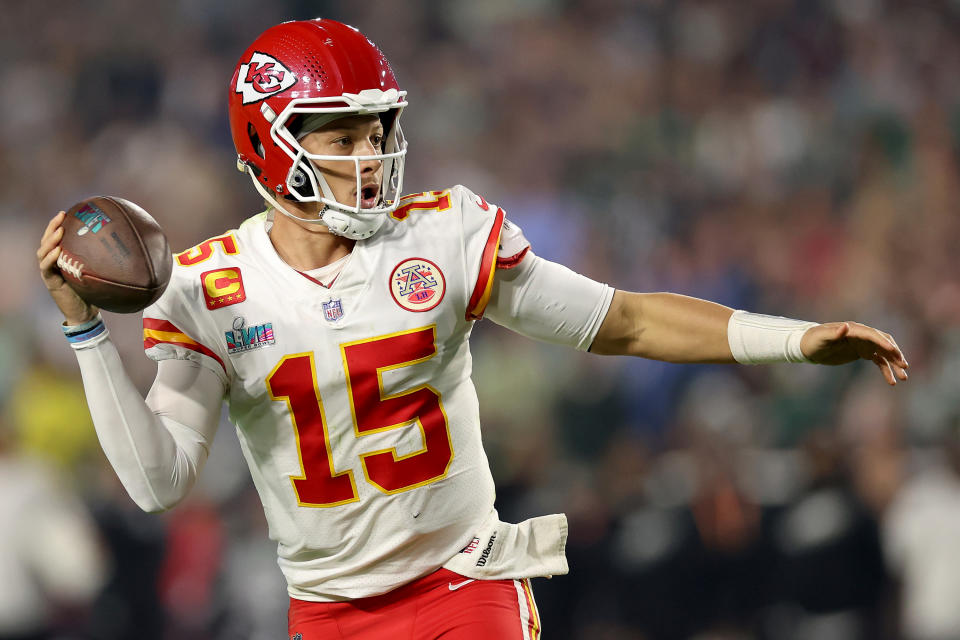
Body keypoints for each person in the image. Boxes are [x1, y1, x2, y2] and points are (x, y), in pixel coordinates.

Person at [36, 18, 908, 640]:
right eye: (342, 136)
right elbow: (158, 484)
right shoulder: (206, 284)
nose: (370, 154)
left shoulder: (443, 233)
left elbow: (626, 321)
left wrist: (791, 337)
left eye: (378, 129)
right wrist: (85, 335)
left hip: (467, 583)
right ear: (271, 144)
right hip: (329, 612)